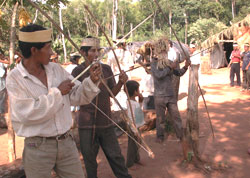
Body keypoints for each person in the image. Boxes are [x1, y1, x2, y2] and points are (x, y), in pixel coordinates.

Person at [6, 24, 102, 178]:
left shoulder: (56, 69)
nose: (51, 52)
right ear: (34, 50)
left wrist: (91, 81)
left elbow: (77, 96)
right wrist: (58, 93)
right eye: (48, 48)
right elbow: (26, 113)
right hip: (37, 148)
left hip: (66, 143)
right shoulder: (15, 78)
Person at [71, 36, 132, 178]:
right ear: (82, 52)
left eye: (98, 50)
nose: (97, 54)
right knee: (90, 161)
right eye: (92, 50)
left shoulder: (106, 68)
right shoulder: (77, 72)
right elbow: (75, 97)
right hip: (86, 125)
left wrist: (121, 83)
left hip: (106, 123)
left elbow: (113, 93)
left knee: (116, 157)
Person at [150, 39, 190, 144]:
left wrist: (185, 67)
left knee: (176, 117)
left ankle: (181, 136)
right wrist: (169, 68)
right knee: (160, 118)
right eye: (162, 51)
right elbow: (159, 75)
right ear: (158, 51)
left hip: (170, 94)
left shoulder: (169, 62)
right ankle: (160, 136)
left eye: (165, 51)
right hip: (159, 95)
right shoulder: (154, 63)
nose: (164, 53)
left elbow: (178, 72)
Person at [107, 36, 134, 111]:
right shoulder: (128, 53)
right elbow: (131, 66)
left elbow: (108, 67)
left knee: (116, 96)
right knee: (126, 95)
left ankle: (118, 113)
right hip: (125, 77)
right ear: (124, 44)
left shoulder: (111, 53)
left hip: (115, 78)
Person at [125, 80, 145, 168]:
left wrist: (140, 102)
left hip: (136, 127)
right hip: (133, 128)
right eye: (138, 89)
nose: (139, 91)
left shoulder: (133, 103)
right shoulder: (131, 104)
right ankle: (129, 163)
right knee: (132, 145)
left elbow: (138, 112)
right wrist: (135, 130)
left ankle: (136, 159)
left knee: (137, 143)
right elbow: (131, 118)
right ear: (135, 92)